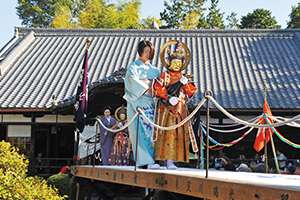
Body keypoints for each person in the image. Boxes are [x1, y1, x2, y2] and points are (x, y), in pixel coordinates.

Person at [152, 40, 198, 170]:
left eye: (179, 63)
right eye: (174, 62)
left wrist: (185, 83)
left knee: (179, 134)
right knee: (168, 134)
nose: (177, 65)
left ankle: (175, 160)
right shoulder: (164, 76)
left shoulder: (184, 78)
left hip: (181, 109)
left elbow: (190, 92)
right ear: (169, 63)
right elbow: (158, 88)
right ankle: (167, 161)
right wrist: (168, 97)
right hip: (167, 109)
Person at [123, 40, 160, 169]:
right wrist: (148, 89)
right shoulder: (133, 66)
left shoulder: (155, 70)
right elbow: (132, 83)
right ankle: (145, 161)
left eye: (150, 52)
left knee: (151, 132)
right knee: (139, 131)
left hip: (150, 102)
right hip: (136, 102)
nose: (147, 54)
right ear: (140, 51)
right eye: (145, 52)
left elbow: (160, 85)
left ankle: (152, 160)